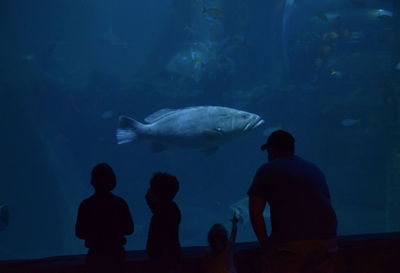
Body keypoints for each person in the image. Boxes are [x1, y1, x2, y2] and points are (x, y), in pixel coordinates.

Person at [247, 130, 338, 273]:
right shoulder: (314, 168)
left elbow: (255, 212)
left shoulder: (267, 169)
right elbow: (326, 203)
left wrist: (266, 246)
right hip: (327, 241)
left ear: (271, 150)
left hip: (290, 243)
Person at [76, 163, 134, 273]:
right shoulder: (120, 203)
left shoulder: (86, 205)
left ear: (92, 181)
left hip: (95, 254)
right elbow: (129, 229)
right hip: (117, 254)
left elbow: (79, 232)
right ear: (112, 181)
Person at [145, 172, 182, 273]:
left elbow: (157, 210)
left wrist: (148, 198)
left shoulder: (162, 211)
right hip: (171, 256)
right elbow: (157, 208)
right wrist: (149, 199)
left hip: (162, 258)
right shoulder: (172, 207)